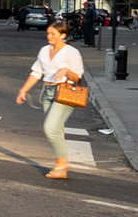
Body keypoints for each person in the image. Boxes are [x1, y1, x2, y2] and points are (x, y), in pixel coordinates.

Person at [14, 18, 87, 179]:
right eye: (48, 33)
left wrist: (66, 70)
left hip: (64, 92)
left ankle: (61, 163)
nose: (49, 36)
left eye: (53, 33)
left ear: (63, 35)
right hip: (47, 92)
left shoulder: (71, 52)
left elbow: (77, 77)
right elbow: (36, 72)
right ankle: (61, 167)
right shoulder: (44, 50)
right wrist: (23, 90)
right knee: (57, 130)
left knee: (50, 128)